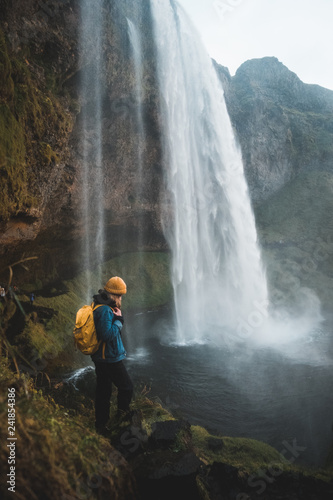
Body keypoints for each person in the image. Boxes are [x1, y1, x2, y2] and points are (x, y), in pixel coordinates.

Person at [91, 276, 133, 435]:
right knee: (127, 387)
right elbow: (107, 335)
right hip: (108, 358)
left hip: (101, 357)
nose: (121, 299)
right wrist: (119, 320)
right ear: (114, 295)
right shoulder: (104, 310)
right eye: (120, 296)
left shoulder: (99, 303)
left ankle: (101, 426)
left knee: (104, 391)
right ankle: (122, 420)